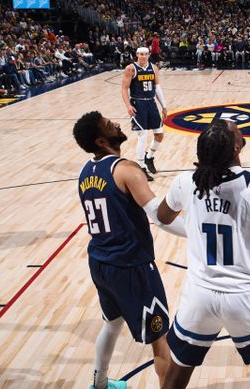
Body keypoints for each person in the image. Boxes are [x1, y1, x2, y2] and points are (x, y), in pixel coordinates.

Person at [155, 120, 250, 389]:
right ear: (237, 147)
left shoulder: (186, 182)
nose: (238, 126)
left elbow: (163, 216)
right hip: (247, 299)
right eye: (235, 129)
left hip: (199, 298)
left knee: (175, 380)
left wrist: (196, 227)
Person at [73, 111, 185, 389]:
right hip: (131, 265)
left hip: (100, 262)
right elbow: (159, 216)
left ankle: (99, 384)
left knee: (112, 323)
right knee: (160, 338)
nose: (117, 124)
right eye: (110, 125)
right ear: (101, 141)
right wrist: (200, 233)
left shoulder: (86, 171)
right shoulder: (126, 170)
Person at [121, 47, 168, 181]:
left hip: (151, 103)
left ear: (148, 55)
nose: (143, 56)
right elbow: (124, 89)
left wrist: (164, 106)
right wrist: (128, 105)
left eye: (146, 54)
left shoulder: (154, 68)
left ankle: (149, 157)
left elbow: (157, 87)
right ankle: (141, 167)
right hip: (138, 104)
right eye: (141, 54)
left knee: (159, 134)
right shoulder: (131, 68)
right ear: (137, 55)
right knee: (143, 135)